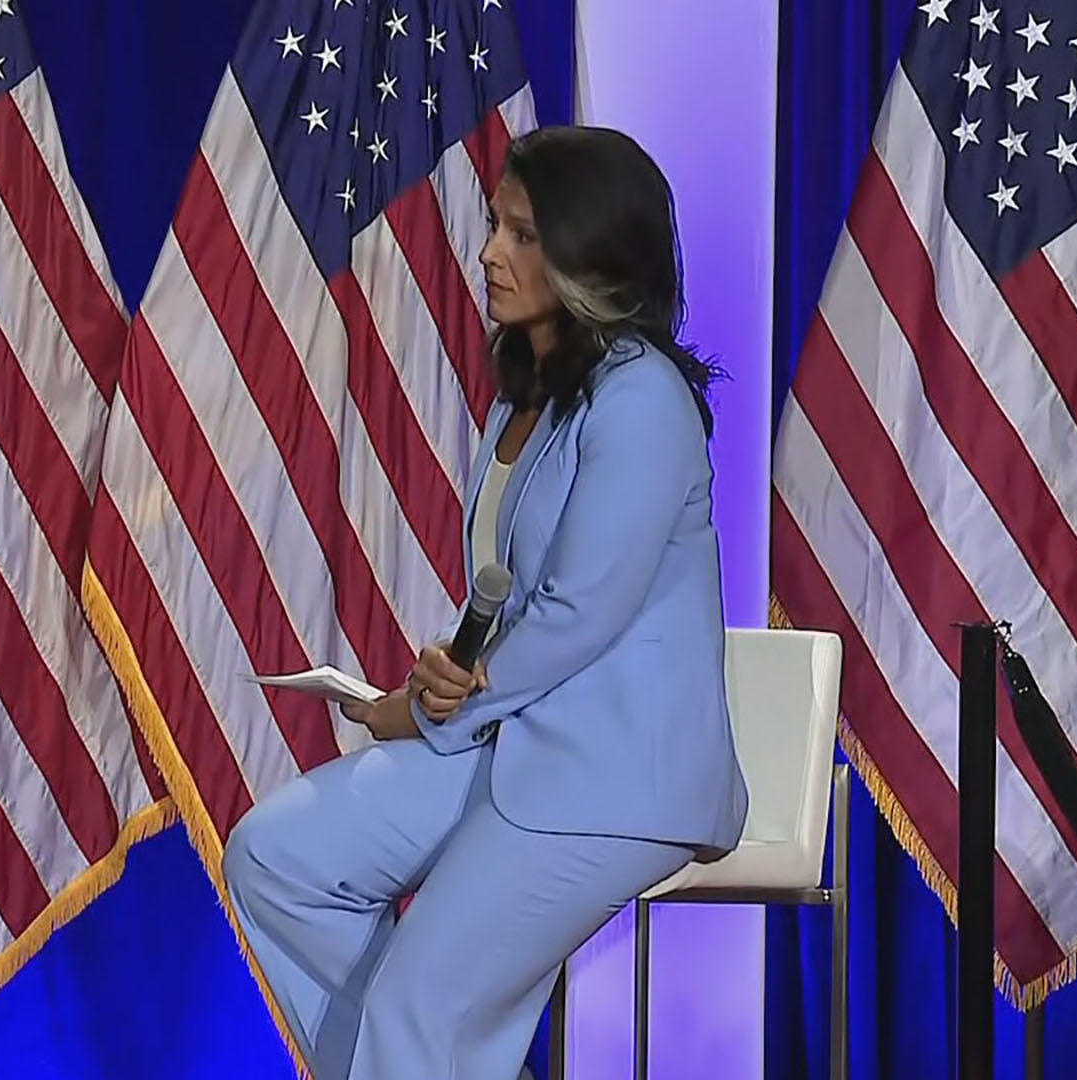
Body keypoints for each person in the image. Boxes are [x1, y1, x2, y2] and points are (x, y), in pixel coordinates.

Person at [221, 125, 749, 1080]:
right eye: (496, 225)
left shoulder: (643, 401)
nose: (489, 253)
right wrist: (447, 667)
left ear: (592, 255)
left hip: (612, 775)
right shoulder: (526, 394)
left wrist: (428, 707)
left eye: (523, 235)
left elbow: (579, 614)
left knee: (420, 1006)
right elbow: (509, 596)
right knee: (274, 860)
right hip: (515, 740)